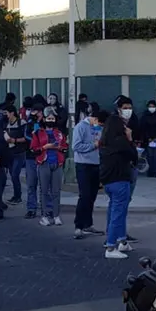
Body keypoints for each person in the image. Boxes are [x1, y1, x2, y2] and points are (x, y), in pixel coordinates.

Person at [100, 111, 137, 259]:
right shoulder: (121, 142)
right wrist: (130, 139)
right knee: (118, 212)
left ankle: (121, 240)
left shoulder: (105, 142)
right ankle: (111, 246)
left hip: (108, 181)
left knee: (115, 210)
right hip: (120, 180)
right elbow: (133, 156)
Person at [29, 107, 68, 226]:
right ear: (44, 119)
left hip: (57, 163)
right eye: (48, 118)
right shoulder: (38, 133)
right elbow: (33, 149)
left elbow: (65, 148)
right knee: (44, 191)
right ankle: (44, 216)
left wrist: (57, 148)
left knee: (56, 191)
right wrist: (44, 148)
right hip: (43, 163)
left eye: (52, 118)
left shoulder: (60, 133)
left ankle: (56, 215)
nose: (51, 120)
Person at [72, 105, 105, 239]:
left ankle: (88, 224)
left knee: (92, 196)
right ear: (94, 118)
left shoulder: (99, 128)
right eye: (99, 122)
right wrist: (93, 146)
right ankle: (78, 226)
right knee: (84, 196)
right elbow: (76, 146)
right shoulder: (80, 127)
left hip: (96, 164)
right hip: (83, 164)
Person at [3, 105, 26, 204]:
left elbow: (26, 138)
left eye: (7, 113)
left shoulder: (21, 123)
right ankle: (16, 195)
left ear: (12, 113)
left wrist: (14, 140)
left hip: (19, 152)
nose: (6, 115)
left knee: (15, 175)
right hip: (9, 152)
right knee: (12, 174)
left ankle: (18, 196)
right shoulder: (6, 124)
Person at [139, 100, 156, 177]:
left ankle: (154, 172)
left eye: (153, 106)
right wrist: (148, 138)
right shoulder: (144, 116)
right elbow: (143, 128)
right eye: (150, 106)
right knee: (150, 155)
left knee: (155, 155)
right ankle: (150, 171)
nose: (152, 108)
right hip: (148, 139)